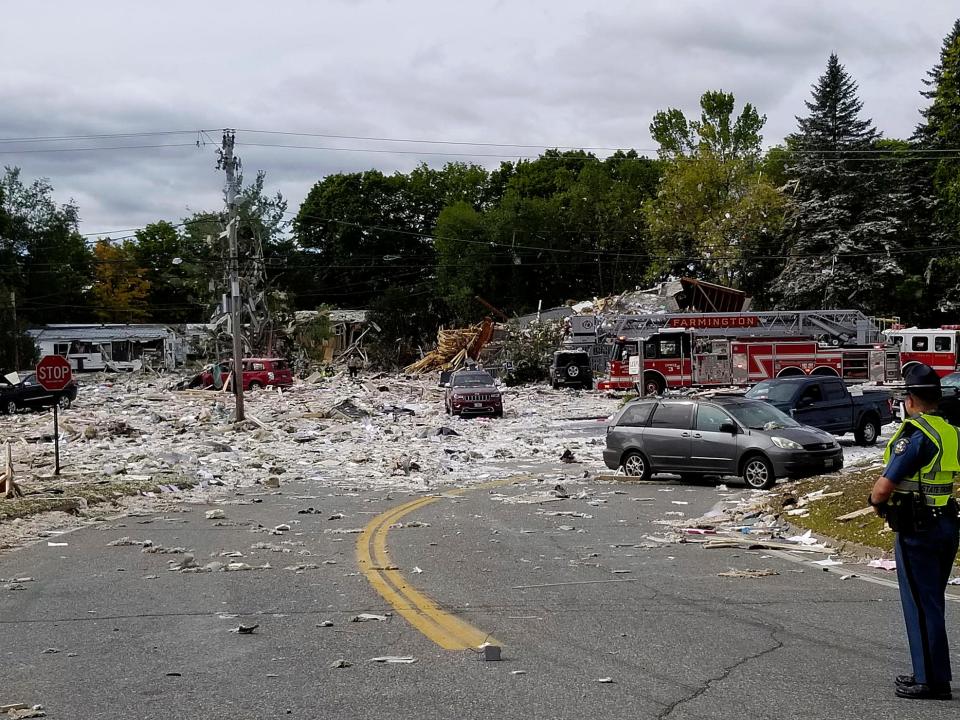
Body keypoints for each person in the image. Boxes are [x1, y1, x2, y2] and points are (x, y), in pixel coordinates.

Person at [869, 363, 960, 700]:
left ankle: (930, 681)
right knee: (932, 602)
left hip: (917, 528)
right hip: (947, 523)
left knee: (920, 605)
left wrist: (876, 503)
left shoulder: (915, 435)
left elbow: (883, 488)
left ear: (910, 399)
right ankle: (932, 674)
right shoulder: (951, 431)